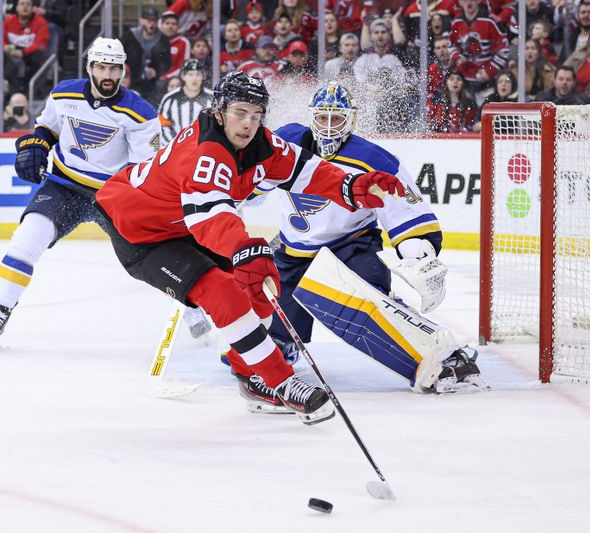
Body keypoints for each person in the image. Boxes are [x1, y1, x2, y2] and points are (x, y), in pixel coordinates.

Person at [94, 72, 408, 424]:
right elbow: (210, 217)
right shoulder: (206, 153)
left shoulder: (263, 144)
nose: (248, 124)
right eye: (240, 113)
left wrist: (353, 187)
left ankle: (251, 377)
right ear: (220, 111)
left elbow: (307, 170)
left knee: (261, 280)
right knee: (221, 290)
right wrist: (243, 247)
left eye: (256, 115)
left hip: (183, 223)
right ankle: (281, 382)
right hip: (141, 232)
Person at [261, 82, 485, 398]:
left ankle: (441, 357)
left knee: (367, 305)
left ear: (350, 120)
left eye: (335, 119)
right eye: (321, 118)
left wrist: (420, 254)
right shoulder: (287, 142)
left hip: (349, 247)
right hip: (292, 252)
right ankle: (281, 343)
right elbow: (250, 181)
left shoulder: (373, 158)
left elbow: (405, 211)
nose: (327, 127)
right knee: (260, 335)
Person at [0, 38, 161, 347]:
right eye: (101, 67)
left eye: (114, 67)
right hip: (63, 186)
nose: (108, 74)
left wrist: (138, 204)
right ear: (90, 68)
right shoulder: (64, 94)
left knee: (151, 256)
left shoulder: (141, 113)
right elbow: (47, 127)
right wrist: (38, 144)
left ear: (124, 70)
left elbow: (143, 169)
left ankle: (189, 309)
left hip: (112, 195)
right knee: (25, 240)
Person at [157, 59, 214, 146]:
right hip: (175, 151)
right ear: (183, 76)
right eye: (190, 74)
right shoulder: (170, 99)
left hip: (204, 149)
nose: (194, 78)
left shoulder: (211, 98)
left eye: (198, 74)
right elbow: (162, 125)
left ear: (203, 76)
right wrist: (173, 147)